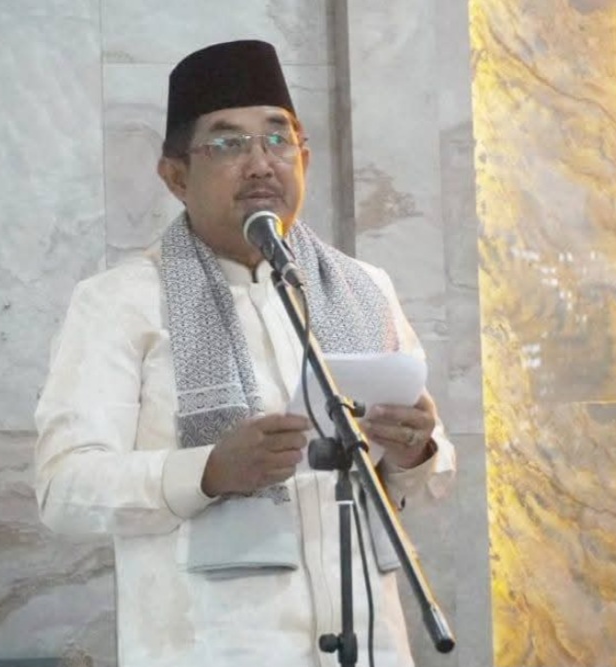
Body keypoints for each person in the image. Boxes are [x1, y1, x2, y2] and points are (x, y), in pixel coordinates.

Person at [34, 39, 456, 667]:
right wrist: (207, 472)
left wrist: (415, 449)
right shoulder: (119, 303)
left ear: (304, 158)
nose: (261, 164)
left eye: (278, 139)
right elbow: (63, 488)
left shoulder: (364, 290)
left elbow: (432, 472)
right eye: (228, 144)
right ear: (176, 177)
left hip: (371, 645)